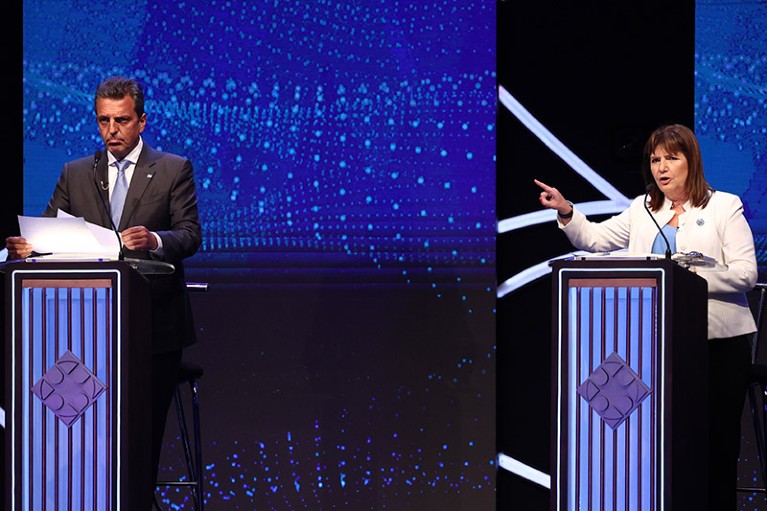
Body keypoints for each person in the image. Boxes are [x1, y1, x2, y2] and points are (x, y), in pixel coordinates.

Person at [535, 123, 757, 509]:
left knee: (715, 446)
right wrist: (568, 211)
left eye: (671, 157)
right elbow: (597, 240)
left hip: (718, 346)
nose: (661, 167)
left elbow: (745, 275)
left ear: (692, 161)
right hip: (657, 350)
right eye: (655, 159)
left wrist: (690, 275)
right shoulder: (643, 208)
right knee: (665, 445)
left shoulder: (724, 206)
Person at [5, 76, 202, 508]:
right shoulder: (77, 173)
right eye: (104, 121)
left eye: (122, 121)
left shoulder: (173, 168)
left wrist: (153, 239)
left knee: (137, 442)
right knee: (84, 441)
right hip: (85, 333)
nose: (112, 130)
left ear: (142, 122)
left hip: (152, 329)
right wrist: (30, 246)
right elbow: (51, 231)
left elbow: (189, 235)